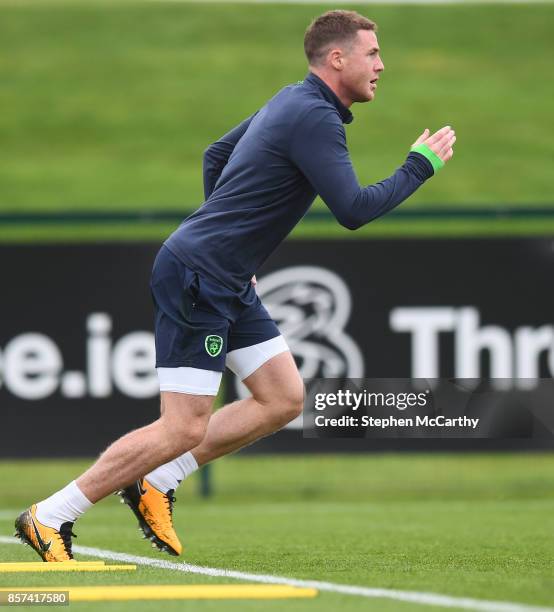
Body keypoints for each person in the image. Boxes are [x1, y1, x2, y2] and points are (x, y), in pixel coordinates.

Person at [15, 9, 455, 561]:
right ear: (337, 59)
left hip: (221, 274)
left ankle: (156, 480)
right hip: (200, 275)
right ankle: (49, 516)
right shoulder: (314, 117)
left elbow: (215, 155)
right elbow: (352, 209)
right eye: (372, 54)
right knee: (183, 426)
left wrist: (230, 244)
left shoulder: (291, 100)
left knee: (283, 398)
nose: (381, 65)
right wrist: (419, 166)